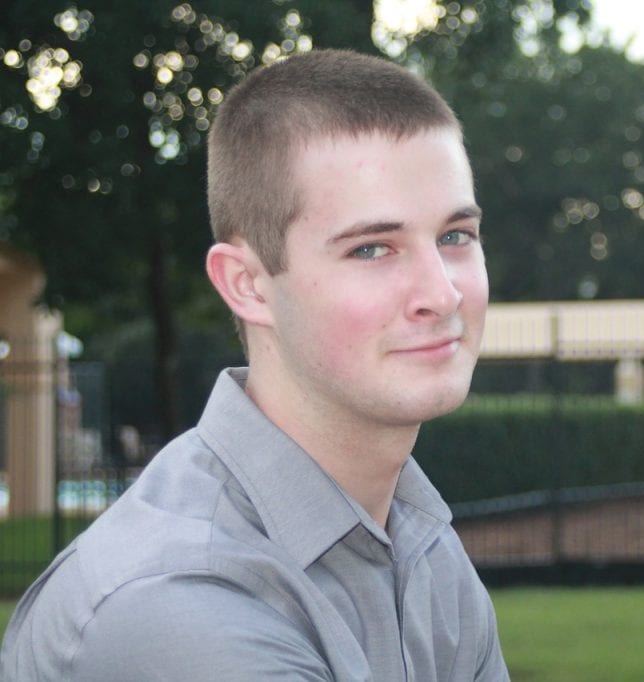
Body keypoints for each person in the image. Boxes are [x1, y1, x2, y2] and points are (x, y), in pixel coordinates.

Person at [1, 48, 508, 681]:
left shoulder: (423, 548)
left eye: (455, 237)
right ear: (247, 284)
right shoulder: (177, 605)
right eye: (373, 248)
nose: (442, 293)